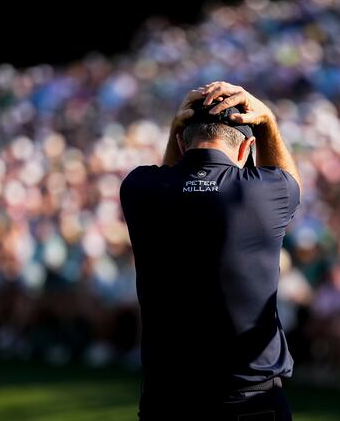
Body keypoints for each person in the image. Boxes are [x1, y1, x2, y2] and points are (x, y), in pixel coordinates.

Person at [120, 81, 303, 420]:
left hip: (168, 401)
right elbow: (290, 181)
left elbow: (170, 178)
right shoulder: (264, 195)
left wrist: (179, 125)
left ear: (179, 140)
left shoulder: (139, 187)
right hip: (251, 403)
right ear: (245, 148)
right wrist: (269, 125)